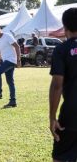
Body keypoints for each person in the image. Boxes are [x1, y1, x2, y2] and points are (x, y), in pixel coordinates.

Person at [49, 8, 77, 161]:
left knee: (61, 157)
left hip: (71, 115)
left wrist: (52, 117)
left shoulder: (61, 50)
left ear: (64, 27)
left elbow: (56, 86)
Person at [0, 25, 21, 107]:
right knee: (10, 82)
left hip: (11, 61)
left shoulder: (7, 36)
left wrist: (18, 60)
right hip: (6, 61)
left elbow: (17, 46)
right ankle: (13, 101)